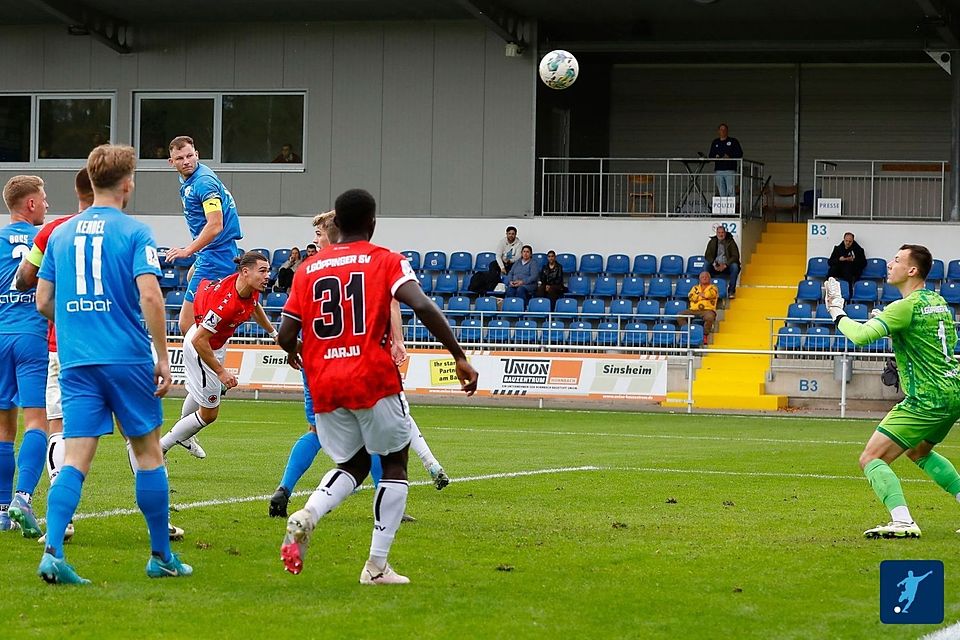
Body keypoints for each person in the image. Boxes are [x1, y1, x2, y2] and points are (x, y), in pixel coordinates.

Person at [277, 189, 477, 584]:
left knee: (350, 464)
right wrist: (458, 354)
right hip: (371, 377)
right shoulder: (384, 260)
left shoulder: (309, 269)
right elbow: (420, 305)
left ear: (335, 226)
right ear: (372, 222)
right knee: (393, 463)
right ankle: (376, 566)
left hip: (325, 383)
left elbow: (285, 332)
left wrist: (297, 353)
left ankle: (308, 513)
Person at [35, 143, 191, 584]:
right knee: (147, 453)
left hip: (77, 361)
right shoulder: (135, 231)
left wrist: (75, 321)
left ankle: (53, 553)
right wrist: (163, 356)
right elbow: (150, 296)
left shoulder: (61, 233)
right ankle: (161, 556)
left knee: (75, 459)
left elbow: (44, 299)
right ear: (127, 183)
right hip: (125, 358)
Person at [269, 211, 452, 519]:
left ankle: (286, 491)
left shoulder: (308, 271)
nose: (314, 242)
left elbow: (290, 325)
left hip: (319, 366)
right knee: (378, 439)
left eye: (319, 235)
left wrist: (295, 348)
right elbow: (402, 302)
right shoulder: (366, 263)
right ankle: (385, 508)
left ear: (333, 233)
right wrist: (399, 341)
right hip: (359, 363)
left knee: (320, 433)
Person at [823, 244, 960, 539]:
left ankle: (903, 521)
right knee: (919, 451)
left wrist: (837, 312)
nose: (889, 263)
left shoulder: (903, 307)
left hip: (926, 398)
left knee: (871, 458)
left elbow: (860, 336)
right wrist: (891, 324)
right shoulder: (937, 301)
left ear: (912, 270)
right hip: (953, 392)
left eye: (897, 260)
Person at [12, 169, 91, 541]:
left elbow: (22, 281)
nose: (46, 203)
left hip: (34, 339)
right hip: (101, 346)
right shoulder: (127, 231)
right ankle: (159, 530)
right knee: (136, 435)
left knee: (42, 428)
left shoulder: (51, 231)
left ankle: (29, 514)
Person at [159, 252, 278, 459]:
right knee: (209, 414)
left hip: (213, 343)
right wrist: (221, 372)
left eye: (268, 270)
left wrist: (273, 333)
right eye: (263, 271)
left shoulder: (249, 288)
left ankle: (184, 435)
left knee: (199, 396)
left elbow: (254, 307)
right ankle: (160, 449)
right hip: (202, 348)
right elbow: (198, 340)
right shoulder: (226, 305)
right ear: (245, 272)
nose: (268, 275)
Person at [0, 176, 49, 536]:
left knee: (4, 428)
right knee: (38, 422)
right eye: (43, 200)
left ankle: (2, 510)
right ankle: (22, 497)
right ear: (29, 204)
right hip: (31, 337)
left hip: (0, 336)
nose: (46, 205)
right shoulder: (44, 241)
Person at [164, 135, 244, 335]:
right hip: (212, 252)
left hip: (216, 255)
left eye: (190, 156)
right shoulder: (190, 178)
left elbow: (215, 225)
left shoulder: (203, 183)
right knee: (191, 274)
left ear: (197, 155)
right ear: (171, 162)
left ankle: (207, 360)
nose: (187, 161)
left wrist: (187, 250)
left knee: (185, 325)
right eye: (180, 158)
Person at [677, 271, 718, 340]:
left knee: (710, 317)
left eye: (706, 277)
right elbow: (690, 296)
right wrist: (703, 296)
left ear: (709, 279)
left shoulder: (713, 288)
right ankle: (688, 332)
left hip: (707, 310)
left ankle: (705, 335)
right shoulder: (695, 288)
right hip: (693, 310)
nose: (704, 278)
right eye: (702, 277)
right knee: (680, 315)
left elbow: (710, 295)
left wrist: (698, 296)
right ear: (699, 279)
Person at [704, 225, 741, 299]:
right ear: (716, 233)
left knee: (735, 267)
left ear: (725, 233)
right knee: (706, 264)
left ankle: (731, 291)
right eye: (719, 233)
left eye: (722, 232)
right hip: (715, 265)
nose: (721, 234)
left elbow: (735, 256)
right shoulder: (712, 242)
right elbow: (707, 255)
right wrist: (714, 264)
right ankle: (705, 289)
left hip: (727, 266)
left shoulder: (730, 241)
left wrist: (725, 265)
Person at [708, 123, 743, 198]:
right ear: (718, 131)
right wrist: (715, 156)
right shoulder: (715, 142)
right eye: (721, 129)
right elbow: (710, 155)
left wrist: (730, 156)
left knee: (730, 190)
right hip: (719, 170)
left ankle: (731, 209)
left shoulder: (733, 141)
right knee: (721, 191)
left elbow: (739, 153)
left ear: (727, 131)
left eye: (724, 129)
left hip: (730, 170)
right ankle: (723, 209)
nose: (722, 131)